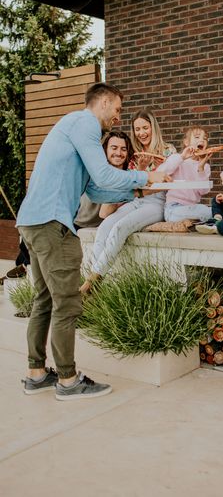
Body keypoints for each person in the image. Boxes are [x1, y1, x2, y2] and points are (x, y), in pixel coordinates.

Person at [17, 84, 167, 400]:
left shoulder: (75, 130)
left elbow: (96, 190)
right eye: (117, 109)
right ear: (102, 102)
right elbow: (103, 175)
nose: (118, 116)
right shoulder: (83, 123)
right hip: (51, 224)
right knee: (67, 303)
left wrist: (137, 192)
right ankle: (69, 381)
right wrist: (147, 177)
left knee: (45, 300)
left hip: (33, 220)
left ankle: (36, 373)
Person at [80, 109, 176, 292]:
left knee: (120, 227)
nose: (142, 133)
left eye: (145, 128)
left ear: (153, 127)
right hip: (137, 199)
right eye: (137, 129)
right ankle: (94, 281)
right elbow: (132, 184)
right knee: (105, 226)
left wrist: (153, 173)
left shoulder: (168, 150)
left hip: (157, 202)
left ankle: (91, 283)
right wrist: (140, 170)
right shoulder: (136, 154)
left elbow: (170, 182)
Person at [153, 126, 212, 230]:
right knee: (208, 212)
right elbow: (160, 173)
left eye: (205, 138)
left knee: (206, 211)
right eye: (197, 137)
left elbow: (203, 191)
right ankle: (221, 220)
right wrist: (182, 157)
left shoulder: (205, 166)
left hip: (192, 208)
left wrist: (201, 167)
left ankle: (209, 222)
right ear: (186, 142)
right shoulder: (177, 159)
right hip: (173, 209)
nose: (202, 140)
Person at [74, 130, 134, 230]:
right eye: (114, 148)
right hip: (77, 224)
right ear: (105, 150)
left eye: (123, 149)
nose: (118, 153)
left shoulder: (128, 176)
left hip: (102, 227)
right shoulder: (95, 170)